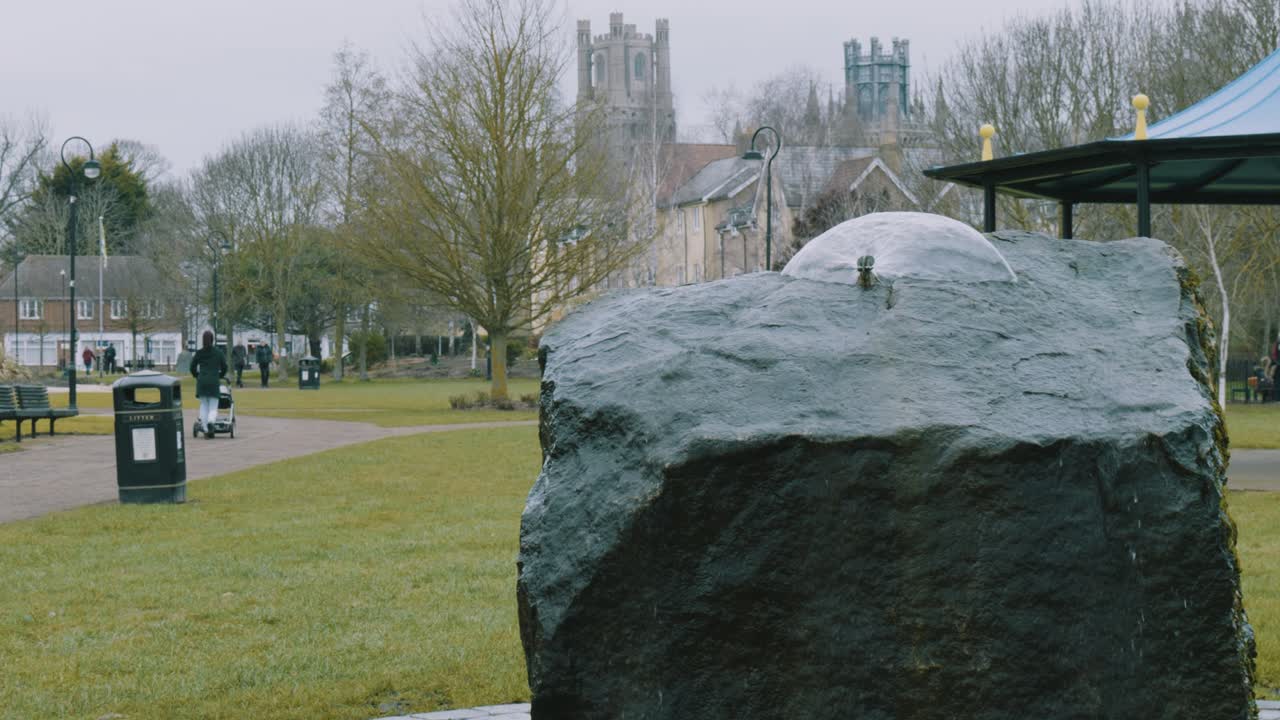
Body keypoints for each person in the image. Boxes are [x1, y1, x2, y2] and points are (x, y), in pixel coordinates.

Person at [191, 330, 227, 439]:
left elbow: (192, 367)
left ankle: (206, 429)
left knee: (203, 405)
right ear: (213, 340)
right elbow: (224, 367)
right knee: (213, 406)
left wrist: (197, 375)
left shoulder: (199, 353)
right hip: (213, 381)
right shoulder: (218, 352)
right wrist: (220, 375)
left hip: (202, 381)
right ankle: (211, 422)